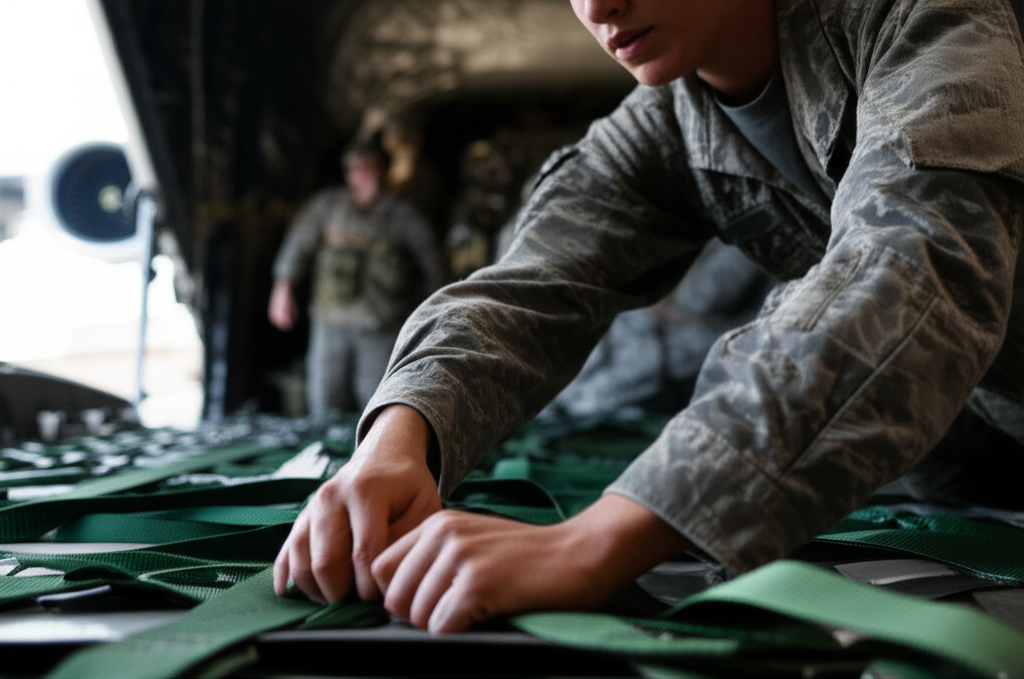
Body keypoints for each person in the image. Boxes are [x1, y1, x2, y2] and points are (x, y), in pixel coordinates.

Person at [275, 0, 1024, 635]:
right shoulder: (669, 123)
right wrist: (399, 441)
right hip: (972, 498)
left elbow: (912, 273)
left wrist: (594, 543)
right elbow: (530, 283)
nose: (598, 5)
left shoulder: (929, 21)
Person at [268, 141, 444, 415]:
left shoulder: (401, 214)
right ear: (348, 173)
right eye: (357, 168)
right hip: (331, 321)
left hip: (380, 324)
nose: (363, 175)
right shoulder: (328, 206)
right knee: (325, 396)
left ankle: (371, 455)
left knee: (376, 400)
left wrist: (434, 310)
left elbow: (431, 259)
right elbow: (297, 245)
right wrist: (283, 288)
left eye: (370, 168)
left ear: (383, 171)